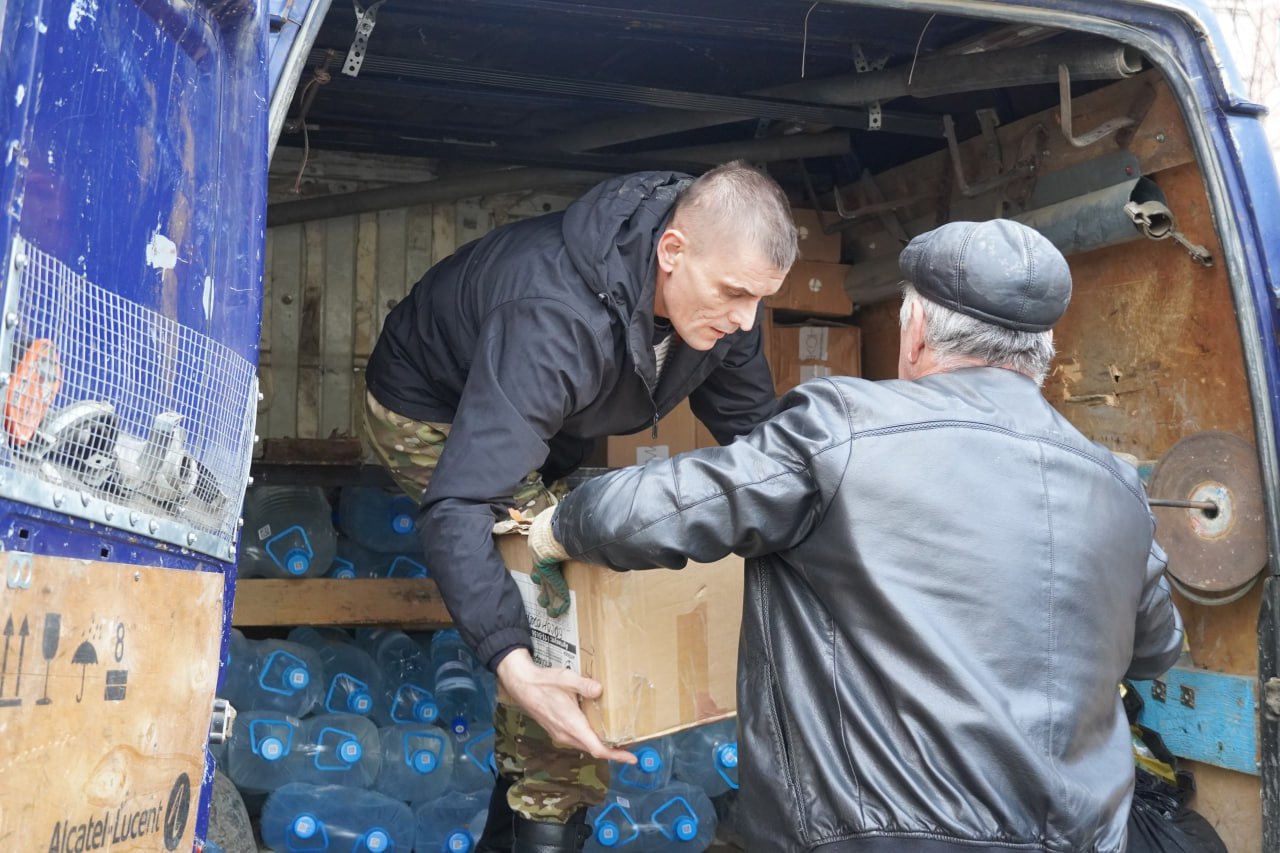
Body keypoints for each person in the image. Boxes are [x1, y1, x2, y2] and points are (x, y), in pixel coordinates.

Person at [529, 218, 1185, 853]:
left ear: (917, 332)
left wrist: (558, 526)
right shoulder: (1116, 487)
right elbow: (1158, 647)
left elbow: (662, 509)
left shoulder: (843, 431)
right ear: (1042, 352)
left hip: (871, 833)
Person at [362, 161, 799, 852]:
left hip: (538, 421)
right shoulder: (554, 314)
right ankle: (544, 812)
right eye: (736, 294)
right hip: (429, 407)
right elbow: (463, 501)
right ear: (672, 251)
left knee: (576, 575)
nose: (746, 320)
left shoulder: (722, 304)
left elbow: (758, 442)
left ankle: (523, 817)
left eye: (759, 301)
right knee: (560, 606)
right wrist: (513, 661)